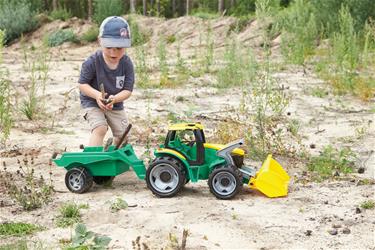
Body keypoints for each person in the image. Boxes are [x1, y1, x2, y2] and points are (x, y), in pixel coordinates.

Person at [78, 16, 134, 146]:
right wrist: (97, 95)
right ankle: (94, 160)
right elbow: (82, 85)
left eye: (119, 48)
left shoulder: (126, 63)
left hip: (115, 102)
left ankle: (113, 154)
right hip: (92, 102)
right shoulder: (92, 62)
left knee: (123, 134)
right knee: (100, 128)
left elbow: (127, 90)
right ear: (100, 41)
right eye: (109, 47)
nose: (113, 52)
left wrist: (115, 99)